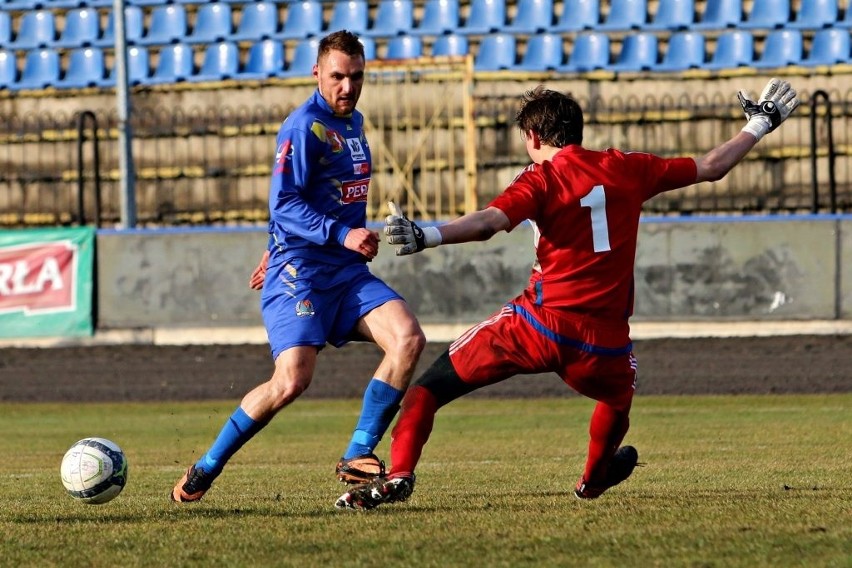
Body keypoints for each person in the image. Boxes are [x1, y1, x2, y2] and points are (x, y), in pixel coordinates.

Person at [335, 79, 800, 510]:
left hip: (537, 325)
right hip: (604, 342)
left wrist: (428, 235)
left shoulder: (541, 178)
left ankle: (399, 473)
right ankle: (593, 481)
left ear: (534, 137)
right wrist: (760, 123)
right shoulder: (627, 167)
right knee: (618, 402)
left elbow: (488, 224)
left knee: (428, 390)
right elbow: (712, 167)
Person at [171, 30, 426, 502]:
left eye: (355, 77)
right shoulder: (302, 127)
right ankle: (208, 465)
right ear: (316, 73)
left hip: (346, 272)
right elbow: (283, 202)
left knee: (408, 337)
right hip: (302, 272)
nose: (347, 87)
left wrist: (290, 241)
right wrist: (335, 235)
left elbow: (308, 202)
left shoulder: (355, 124)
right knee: (291, 380)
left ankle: (357, 453)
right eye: (336, 77)